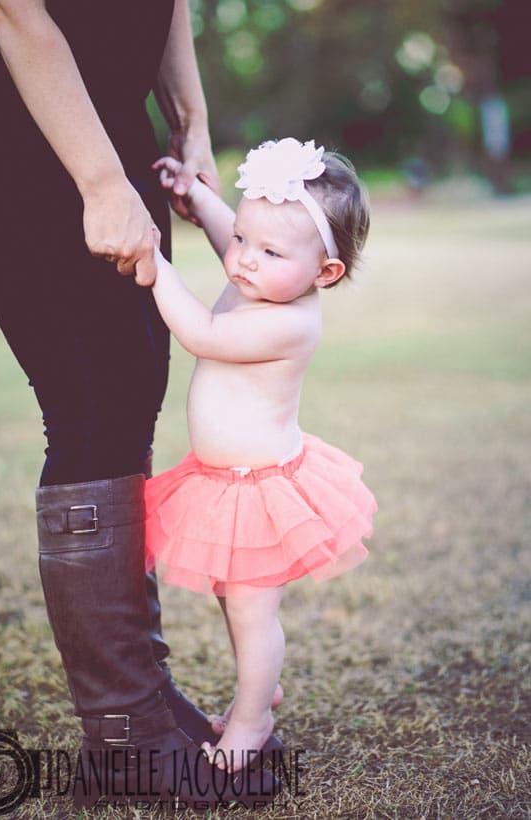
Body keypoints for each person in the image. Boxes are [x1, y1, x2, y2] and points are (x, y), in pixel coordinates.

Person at [0, 0, 276, 808]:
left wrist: (192, 120)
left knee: (129, 380)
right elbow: (9, 2)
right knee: (89, 394)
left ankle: (143, 700)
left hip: (101, 113)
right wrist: (99, 184)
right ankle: (122, 731)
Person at [146, 137, 378, 772]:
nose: (242, 260)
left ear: (323, 273)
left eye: (269, 251)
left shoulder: (291, 320)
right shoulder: (262, 273)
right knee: (231, 596)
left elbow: (202, 332)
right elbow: (238, 235)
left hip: (262, 491)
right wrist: (199, 197)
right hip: (221, 482)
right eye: (242, 239)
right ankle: (258, 685)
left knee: (252, 612)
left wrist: (154, 259)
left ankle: (253, 718)